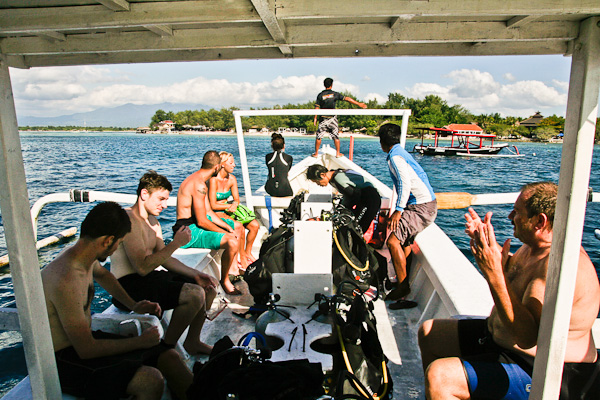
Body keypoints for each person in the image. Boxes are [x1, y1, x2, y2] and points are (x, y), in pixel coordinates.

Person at [418, 182, 600, 400]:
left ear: (539, 221)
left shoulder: (555, 267)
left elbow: (526, 337)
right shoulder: (534, 247)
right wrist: (483, 242)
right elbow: (515, 276)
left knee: (441, 377)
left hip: (551, 371)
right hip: (503, 342)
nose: (510, 216)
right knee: (429, 333)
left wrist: (493, 273)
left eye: (517, 212)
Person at [41, 201, 192, 400]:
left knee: (169, 357)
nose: (115, 250)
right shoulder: (66, 279)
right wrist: (140, 341)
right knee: (150, 380)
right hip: (63, 361)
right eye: (119, 244)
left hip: (84, 343)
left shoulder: (84, 257)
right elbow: (86, 349)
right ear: (108, 240)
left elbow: (104, 275)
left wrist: (134, 305)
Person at [110, 170, 219, 356]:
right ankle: (166, 349)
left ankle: (193, 342)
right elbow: (142, 268)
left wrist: (196, 274)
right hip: (128, 285)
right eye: (161, 199)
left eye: (166, 199)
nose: (165, 205)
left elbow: (165, 258)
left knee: (207, 286)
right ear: (144, 194)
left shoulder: (153, 222)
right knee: (193, 295)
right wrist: (176, 243)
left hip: (149, 278)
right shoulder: (128, 220)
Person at [379, 123, 437, 309]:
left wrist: (398, 210)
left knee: (393, 242)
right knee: (403, 243)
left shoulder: (395, 157)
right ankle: (401, 284)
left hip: (420, 208)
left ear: (382, 142)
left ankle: (403, 289)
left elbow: (404, 184)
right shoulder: (401, 153)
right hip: (424, 205)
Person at [175, 150, 245, 295]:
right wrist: (225, 232)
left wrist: (227, 226)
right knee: (231, 241)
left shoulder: (200, 181)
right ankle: (224, 280)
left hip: (195, 226)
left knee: (236, 227)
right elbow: (202, 221)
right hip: (188, 231)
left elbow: (209, 213)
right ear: (217, 167)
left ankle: (234, 269)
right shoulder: (198, 185)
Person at [209, 151, 260, 263]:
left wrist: (235, 204)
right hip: (217, 211)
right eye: (231, 163)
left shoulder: (232, 179)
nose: (234, 165)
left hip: (229, 210)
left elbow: (236, 199)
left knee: (255, 226)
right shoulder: (213, 180)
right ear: (222, 164)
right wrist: (229, 206)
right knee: (239, 227)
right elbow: (212, 204)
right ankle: (241, 257)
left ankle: (248, 252)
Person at [306, 164, 381, 233]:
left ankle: (357, 246)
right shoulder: (335, 174)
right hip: (364, 198)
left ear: (322, 175)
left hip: (370, 199)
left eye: (317, 181)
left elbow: (354, 196)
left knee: (358, 229)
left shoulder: (338, 179)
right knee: (354, 227)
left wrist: (343, 210)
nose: (318, 184)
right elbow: (350, 196)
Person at [313, 77, 367, 158]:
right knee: (336, 136)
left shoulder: (320, 95)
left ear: (324, 85)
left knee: (319, 136)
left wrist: (315, 118)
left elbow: (317, 107)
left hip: (323, 118)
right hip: (332, 118)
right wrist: (359, 104)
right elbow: (347, 99)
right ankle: (338, 153)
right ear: (331, 85)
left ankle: (316, 153)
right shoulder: (334, 94)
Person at [265, 133, 294, 197]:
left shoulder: (268, 157)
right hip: (286, 190)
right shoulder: (289, 158)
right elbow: (287, 170)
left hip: (270, 189)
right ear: (284, 146)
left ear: (272, 145)